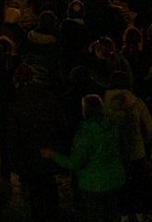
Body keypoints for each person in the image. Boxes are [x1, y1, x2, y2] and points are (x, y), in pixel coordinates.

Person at [41, 94, 126, 222]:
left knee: (96, 216)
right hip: (115, 180)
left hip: (93, 185)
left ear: (85, 110)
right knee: (113, 215)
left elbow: (75, 163)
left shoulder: (85, 134)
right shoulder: (113, 127)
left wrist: (52, 154)